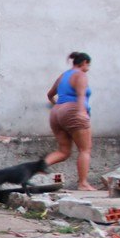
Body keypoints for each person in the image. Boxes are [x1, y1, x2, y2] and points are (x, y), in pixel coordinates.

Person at [46, 51, 95, 191]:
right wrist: (81, 112)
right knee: (85, 149)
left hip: (56, 112)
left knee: (63, 151)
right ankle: (83, 183)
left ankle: (35, 170)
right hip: (73, 111)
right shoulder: (81, 75)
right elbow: (81, 95)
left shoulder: (63, 75)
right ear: (84, 62)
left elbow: (50, 94)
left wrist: (56, 105)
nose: (88, 68)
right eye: (88, 65)